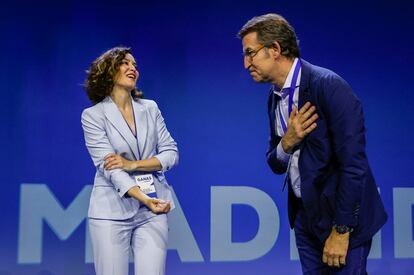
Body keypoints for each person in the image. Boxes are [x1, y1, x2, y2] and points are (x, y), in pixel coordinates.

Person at [238, 14, 387, 274]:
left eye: (250, 53)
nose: (245, 63)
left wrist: (341, 230)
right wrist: (287, 142)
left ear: (275, 49)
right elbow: (274, 162)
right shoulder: (274, 98)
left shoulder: (328, 86)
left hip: (342, 219)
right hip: (306, 218)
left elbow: (353, 164)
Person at [81, 46, 178, 275]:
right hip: (111, 212)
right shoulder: (93, 116)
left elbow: (171, 153)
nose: (132, 68)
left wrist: (133, 165)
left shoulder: (150, 108)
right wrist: (143, 198)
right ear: (108, 71)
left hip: (153, 210)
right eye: (125, 63)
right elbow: (111, 170)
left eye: (134, 65)